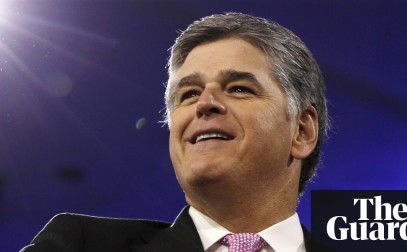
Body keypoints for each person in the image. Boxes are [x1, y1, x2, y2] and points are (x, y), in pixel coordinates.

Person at [21, 12, 328, 252]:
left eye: (238, 88)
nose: (205, 103)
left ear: (302, 131)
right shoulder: (82, 245)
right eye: (189, 94)